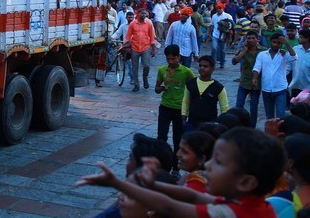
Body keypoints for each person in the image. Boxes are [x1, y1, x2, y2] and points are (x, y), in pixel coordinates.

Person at [76, 127, 285, 217]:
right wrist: (152, 184)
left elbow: (168, 207)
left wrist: (117, 183)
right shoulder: (249, 204)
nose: (208, 166)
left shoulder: (232, 213)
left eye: (218, 162)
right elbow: (192, 196)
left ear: (246, 183)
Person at [155, 44, 195, 171]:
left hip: (180, 109)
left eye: (173, 59)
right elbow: (156, 88)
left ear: (179, 57)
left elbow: (194, 89)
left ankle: (176, 168)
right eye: (168, 59)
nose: (171, 62)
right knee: (161, 136)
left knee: (178, 138)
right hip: (165, 107)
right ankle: (161, 163)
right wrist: (160, 88)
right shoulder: (162, 70)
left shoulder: (186, 72)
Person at [252, 32, 296, 119]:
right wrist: (254, 78)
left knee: (280, 114)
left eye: (279, 43)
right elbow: (257, 67)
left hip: (281, 89)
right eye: (274, 42)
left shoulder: (284, 54)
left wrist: (287, 43)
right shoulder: (262, 55)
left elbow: (294, 57)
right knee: (269, 115)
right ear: (270, 42)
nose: (276, 45)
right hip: (266, 89)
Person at [182, 55, 229, 129]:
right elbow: (185, 101)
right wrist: (183, 118)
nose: (202, 68)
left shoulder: (219, 87)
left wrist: (222, 125)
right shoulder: (190, 83)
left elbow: (224, 108)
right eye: (200, 66)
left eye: (205, 66)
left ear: (212, 69)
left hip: (210, 126)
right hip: (192, 124)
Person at [232, 30, 266, 128]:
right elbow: (234, 61)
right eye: (249, 38)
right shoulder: (243, 49)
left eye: (253, 38)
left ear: (257, 40)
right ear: (246, 39)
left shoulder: (263, 51)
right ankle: (239, 126)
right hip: (245, 81)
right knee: (239, 105)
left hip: (257, 82)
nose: (251, 40)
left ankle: (252, 128)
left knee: (253, 108)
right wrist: (244, 50)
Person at [124, 8, 156, 92]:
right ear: (138, 14)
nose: (144, 15)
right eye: (142, 13)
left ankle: (145, 78)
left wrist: (153, 49)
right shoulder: (133, 24)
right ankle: (136, 84)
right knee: (135, 67)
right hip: (135, 48)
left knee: (146, 65)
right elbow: (128, 36)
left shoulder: (149, 24)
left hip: (146, 47)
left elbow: (152, 37)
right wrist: (125, 45)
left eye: (145, 14)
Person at [207, 5, 233, 69]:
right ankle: (213, 63)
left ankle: (222, 63)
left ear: (223, 8)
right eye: (217, 8)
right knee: (214, 48)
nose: (218, 9)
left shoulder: (227, 16)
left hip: (223, 35)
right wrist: (209, 33)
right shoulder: (214, 16)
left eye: (220, 8)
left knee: (222, 50)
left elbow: (231, 25)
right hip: (215, 34)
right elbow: (212, 25)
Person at [290, 28, 310, 100]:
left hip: (308, 88)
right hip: (296, 86)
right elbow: (289, 65)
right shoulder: (295, 49)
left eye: (301, 37)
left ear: (307, 39)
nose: (298, 38)